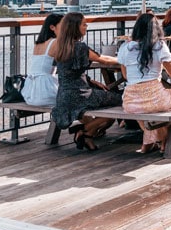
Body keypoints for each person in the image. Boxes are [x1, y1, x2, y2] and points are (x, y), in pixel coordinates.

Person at [49, 12, 123, 152]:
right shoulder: (80, 47)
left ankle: (87, 137)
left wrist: (90, 80)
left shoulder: (59, 47)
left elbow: (66, 71)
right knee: (122, 100)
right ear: (75, 27)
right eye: (84, 24)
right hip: (81, 95)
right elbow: (104, 60)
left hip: (63, 96)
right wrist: (125, 59)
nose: (86, 26)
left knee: (106, 101)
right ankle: (84, 131)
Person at [118, 12, 171, 153]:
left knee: (146, 109)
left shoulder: (125, 48)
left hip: (131, 102)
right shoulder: (159, 46)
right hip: (156, 99)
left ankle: (149, 141)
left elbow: (126, 76)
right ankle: (165, 140)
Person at [22, 13, 63, 106]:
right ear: (52, 27)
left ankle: (90, 121)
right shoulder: (56, 42)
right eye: (64, 25)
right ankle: (93, 121)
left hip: (29, 93)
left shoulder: (38, 44)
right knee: (77, 99)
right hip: (45, 92)